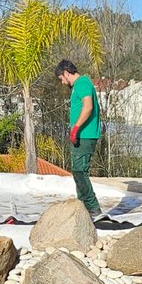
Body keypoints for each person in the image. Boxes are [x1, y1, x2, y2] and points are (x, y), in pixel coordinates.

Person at [57, 59, 102, 219]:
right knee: (77, 171)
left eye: (61, 78)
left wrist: (76, 128)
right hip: (82, 134)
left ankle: (93, 207)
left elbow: (88, 106)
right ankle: (82, 207)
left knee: (79, 171)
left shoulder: (82, 83)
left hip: (85, 134)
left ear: (67, 73)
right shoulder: (80, 85)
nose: (62, 83)